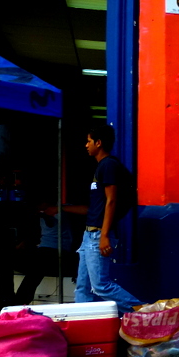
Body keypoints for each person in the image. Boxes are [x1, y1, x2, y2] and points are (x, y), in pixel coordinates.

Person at [62, 125, 144, 315]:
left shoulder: (108, 165)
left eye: (89, 141)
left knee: (100, 285)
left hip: (98, 234)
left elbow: (112, 200)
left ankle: (146, 311)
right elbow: (95, 208)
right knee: (82, 286)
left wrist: (104, 235)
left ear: (98, 143)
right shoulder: (101, 167)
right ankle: (82, 324)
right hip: (88, 235)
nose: (86, 145)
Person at [0, 199, 74, 313]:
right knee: (4, 257)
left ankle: (19, 303)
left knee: (39, 263)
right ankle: (4, 300)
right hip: (42, 249)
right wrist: (24, 243)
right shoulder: (40, 213)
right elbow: (35, 233)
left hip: (59, 251)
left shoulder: (65, 208)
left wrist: (59, 209)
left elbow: (86, 210)